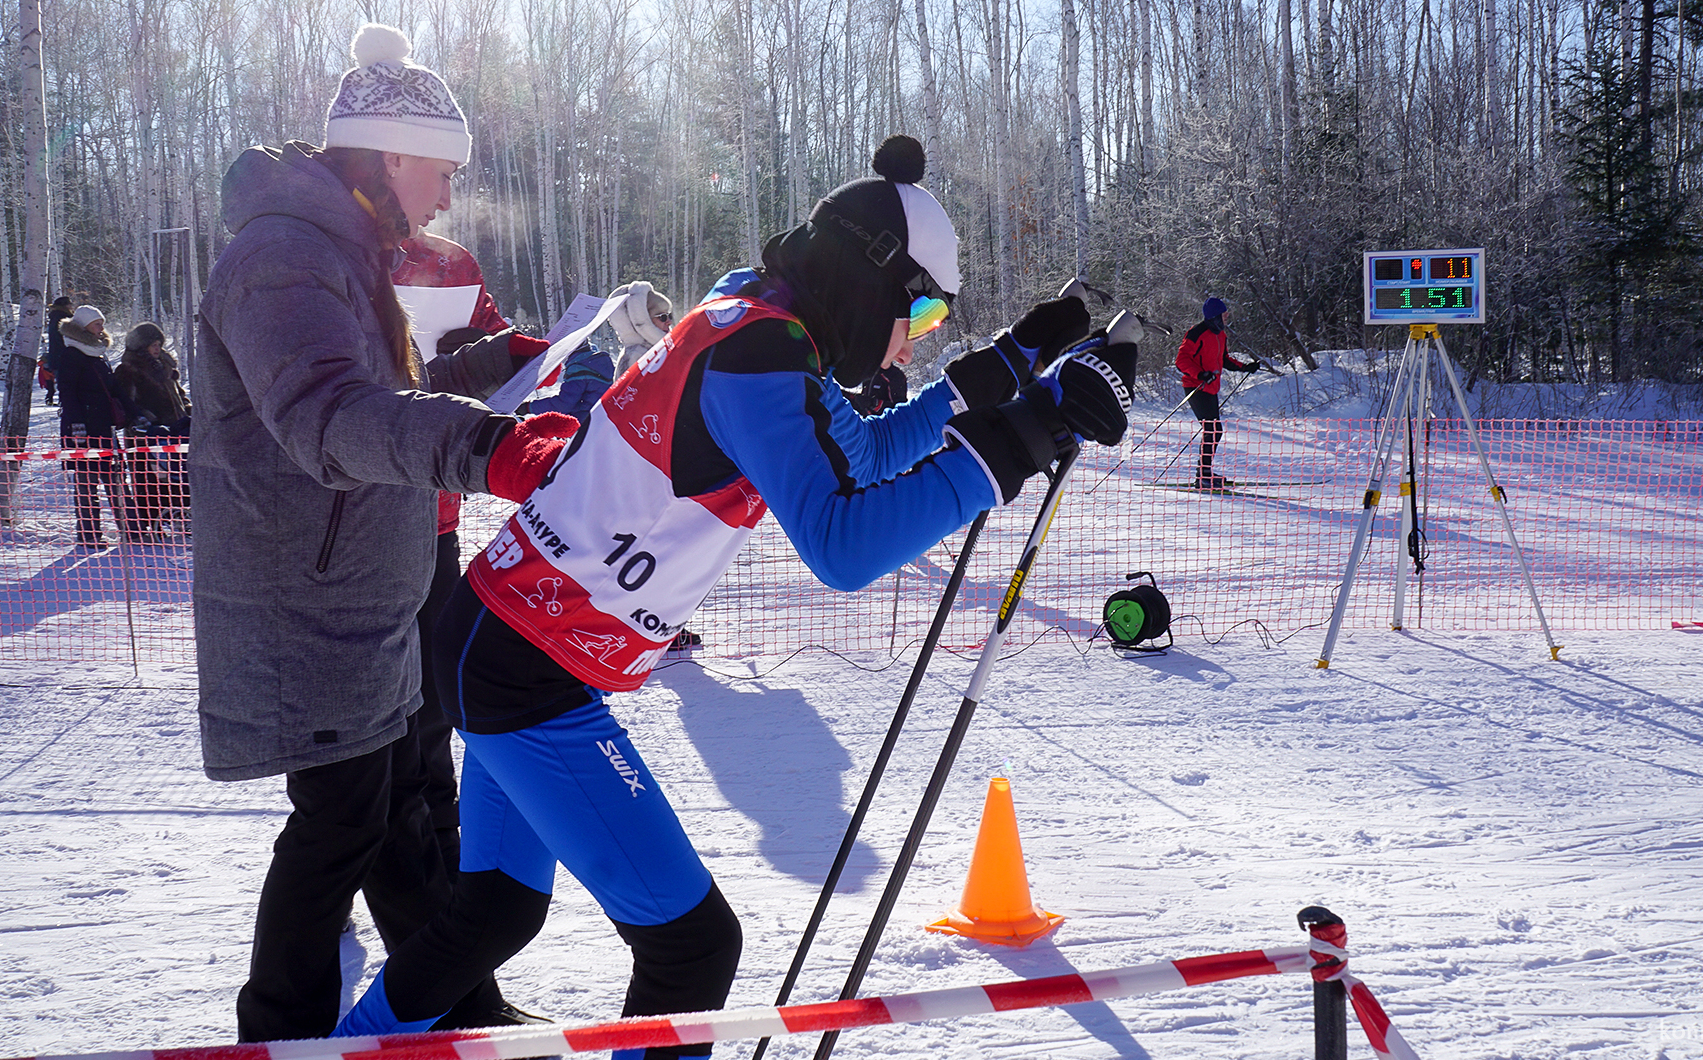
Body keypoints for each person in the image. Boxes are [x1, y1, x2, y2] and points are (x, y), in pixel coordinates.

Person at [329, 134, 1138, 1060]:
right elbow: (842, 542)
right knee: (693, 948)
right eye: (914, 306)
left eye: (934, 321)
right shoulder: (763, 352)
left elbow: (867, 453)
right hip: (525, 671)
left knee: (498, 909)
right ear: (869, 273)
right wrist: (1025, 433)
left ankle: (338, 1050)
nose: (909, 334)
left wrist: (1016, 365)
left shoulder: (758, 317)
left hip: (506, 638)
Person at [191, 22, 553, 1043]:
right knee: (343, 823)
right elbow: (324, 418)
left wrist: (483, 371)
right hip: (302, 600)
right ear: (390, 155)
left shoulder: (334, 250)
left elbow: (372, 397)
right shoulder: (279, 258)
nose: (447, 196)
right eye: (441, 172)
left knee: (396, 810)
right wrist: (485, 447)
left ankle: (442, 1002)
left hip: (360, 586)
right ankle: (284, 1028)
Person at [391, 228, 514, 877]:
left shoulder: (452, 261)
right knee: (365, 717)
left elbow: (503, 348)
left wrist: (506, 356)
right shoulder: (328, 250)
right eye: (439, 175)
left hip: (436, 519)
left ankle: (440, 850)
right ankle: (350, 867)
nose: (446, 198)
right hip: (356, 524)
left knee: (434, 701)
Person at [57, 305, 146, 547]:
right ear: (84, 327)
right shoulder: (71, 355)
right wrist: (77, 427)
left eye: (102, 322)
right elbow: (67, 393)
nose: (101, 327)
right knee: (87, 484)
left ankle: (133, 531)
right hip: (83, 431)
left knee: (116, 479)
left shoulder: (96, 353)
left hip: (104, 429)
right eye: (97, 323)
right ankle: (88, 535)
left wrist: (134, 414)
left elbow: (114, 390)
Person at [530, 281, 673, 421]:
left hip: (587, 426)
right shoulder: (637, 355)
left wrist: (529, 408)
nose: (669, 322)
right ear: (642, 319)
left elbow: (564, 404)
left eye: (669, 315)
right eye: (663, 317)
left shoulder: (648, 352)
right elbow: (634, 410)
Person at [1175, 296, 1261, 490]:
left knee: (1213, 430)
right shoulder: (1196, 333)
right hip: (1195, 386)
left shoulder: (1220, 335)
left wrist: (1246, 367)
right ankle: (1203, 476)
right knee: (1213, 429)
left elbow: (1225, 360)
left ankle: (1205, 474)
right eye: (1224, 314)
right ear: (1214, 316)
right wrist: (1200, 374)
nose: (1227, 316)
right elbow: (1181, 360)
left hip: (1211, 388)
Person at [114, 322, 191, 537]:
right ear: (141, 346)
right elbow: (126, 403)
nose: (156, 348)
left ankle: (180, 517)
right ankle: (151, 521)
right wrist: (146, 421)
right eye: (151, 345)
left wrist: (190, 412)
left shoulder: (165, 365)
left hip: (176, 433)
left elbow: (179, 395)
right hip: (147, 437)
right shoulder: (128, 370)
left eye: (158, 344)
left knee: (178, 478)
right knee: (150, 481)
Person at [40, 295, 74, 405]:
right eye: (70, 304)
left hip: (57, 358)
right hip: (64, 358)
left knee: (63, 385)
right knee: (68, 386)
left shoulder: (55, 317)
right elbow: (63, 340)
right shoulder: (63, 319)